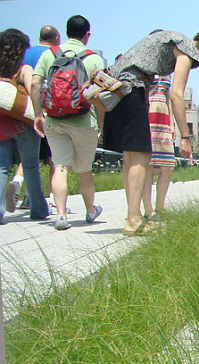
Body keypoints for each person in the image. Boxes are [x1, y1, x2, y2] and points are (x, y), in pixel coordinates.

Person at [102, 30, 199, 235]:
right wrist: (185, 138)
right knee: (140, 157)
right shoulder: (187, 49)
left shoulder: (173, 39)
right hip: (131, 89)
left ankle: (133, 216)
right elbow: (177, 96)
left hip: (116, 91)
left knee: (131, 157)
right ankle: (133, 219)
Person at [31, 16, 104, 230]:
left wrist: (38, 114)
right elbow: (99, 97)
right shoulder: (94, 59)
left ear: (65, 32)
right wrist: (100, 124)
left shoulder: (49, 54)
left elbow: (36, 83)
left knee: (60, 166)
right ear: (86, 35)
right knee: (84, 170)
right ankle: (90, 211)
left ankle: (61, 216)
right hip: (83, 121)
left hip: (54, 119)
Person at [8, 25, 60, 211]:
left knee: (26, 158)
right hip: (38, 110)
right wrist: (40, 113)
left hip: (11, 111)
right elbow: (38, 86)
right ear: (56, 39)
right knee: (53, 156)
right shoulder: (54, 54)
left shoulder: (22, 54)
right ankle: (53, 198)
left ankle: (17, 183)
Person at [0, 29, 48, 224]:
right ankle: (38, 209)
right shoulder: (23, 68)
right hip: (24, 124)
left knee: (1, 167)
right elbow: (33, 90)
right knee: (30, 167)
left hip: (2, 124)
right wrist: (39, 115)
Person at [142, 74, 174, 221]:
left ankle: (160, 206)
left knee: (168, 165)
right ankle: (148, 209)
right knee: (147, 166)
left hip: (163, 121)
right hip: (146, 118)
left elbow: (169, 99)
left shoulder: (168, 73)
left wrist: (172, 124)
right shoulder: (147, 69)